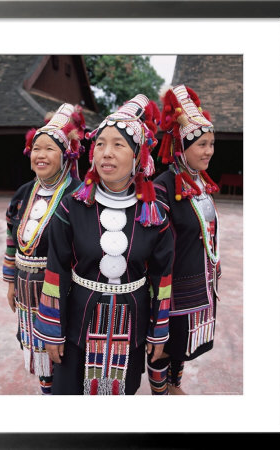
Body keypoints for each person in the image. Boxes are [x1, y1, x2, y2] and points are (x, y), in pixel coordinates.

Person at [33, 94, 174, 395]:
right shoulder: (71, 208)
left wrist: (158, 330)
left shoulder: (155, 215)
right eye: (100, 144)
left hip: (132, 329)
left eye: (118, 145)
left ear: (138, 156)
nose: (106, 153)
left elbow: (162, 279)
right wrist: (52, 331)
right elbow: (55, 270)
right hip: (76, 329)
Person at [2, 103, 85, 394]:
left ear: (65, 154)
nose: (41, 155)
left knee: (61, 353)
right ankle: (46, 392)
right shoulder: (24, 192)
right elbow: (13, 237)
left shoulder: (78, 194)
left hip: (61, 291)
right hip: (26, 287)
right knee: (37, 353)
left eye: (50, 148)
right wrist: (11, 281)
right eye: (37, 148)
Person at [147, 84, 221, 395]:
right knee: (166, 346)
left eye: (212, 144)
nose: (208, 151)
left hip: (200, 280)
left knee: (182, 346)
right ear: (182, 146)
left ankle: (175, 385)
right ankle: (161, 393)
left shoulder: (201, 184)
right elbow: (155, 248)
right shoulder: (163, 188)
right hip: (173, 287)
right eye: (202, 144)